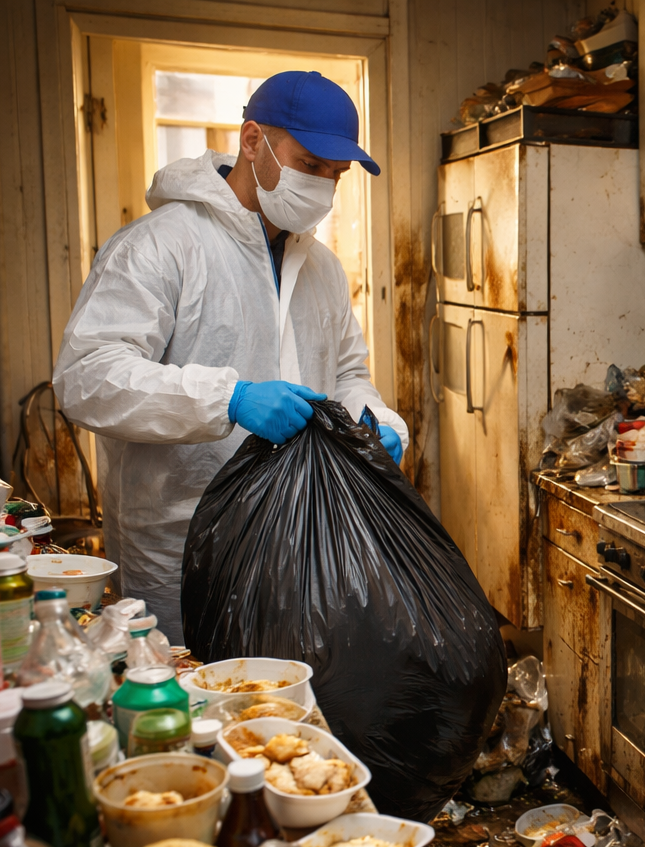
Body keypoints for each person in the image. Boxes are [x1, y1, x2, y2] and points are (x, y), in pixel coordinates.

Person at [53, 71, 407, 642]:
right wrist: (229, 398)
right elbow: (86, 376)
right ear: (251, 141)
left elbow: (347, 371)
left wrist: (376, 421)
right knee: (185, 705)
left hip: (298, 539)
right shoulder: (160, 247)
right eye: (310, 165)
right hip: (181, 545)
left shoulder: (323, 269)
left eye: (335, 177)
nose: (322, 187)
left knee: (278, 710)